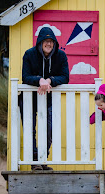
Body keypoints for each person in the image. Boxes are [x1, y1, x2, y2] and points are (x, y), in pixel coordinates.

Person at [19, 27, 69, 171]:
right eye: (46, 41)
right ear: (40, 42)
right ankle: (34, 162)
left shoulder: (61, 56)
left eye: (51, 41)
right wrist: (39, 80)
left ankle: (42, 159)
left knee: (49, 130)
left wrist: (50, 80)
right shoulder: (29, 54)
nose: (49, 44)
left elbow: (65, 77)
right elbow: (25, 77)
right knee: (30, 130)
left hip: (49, 99)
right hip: (29, 100)